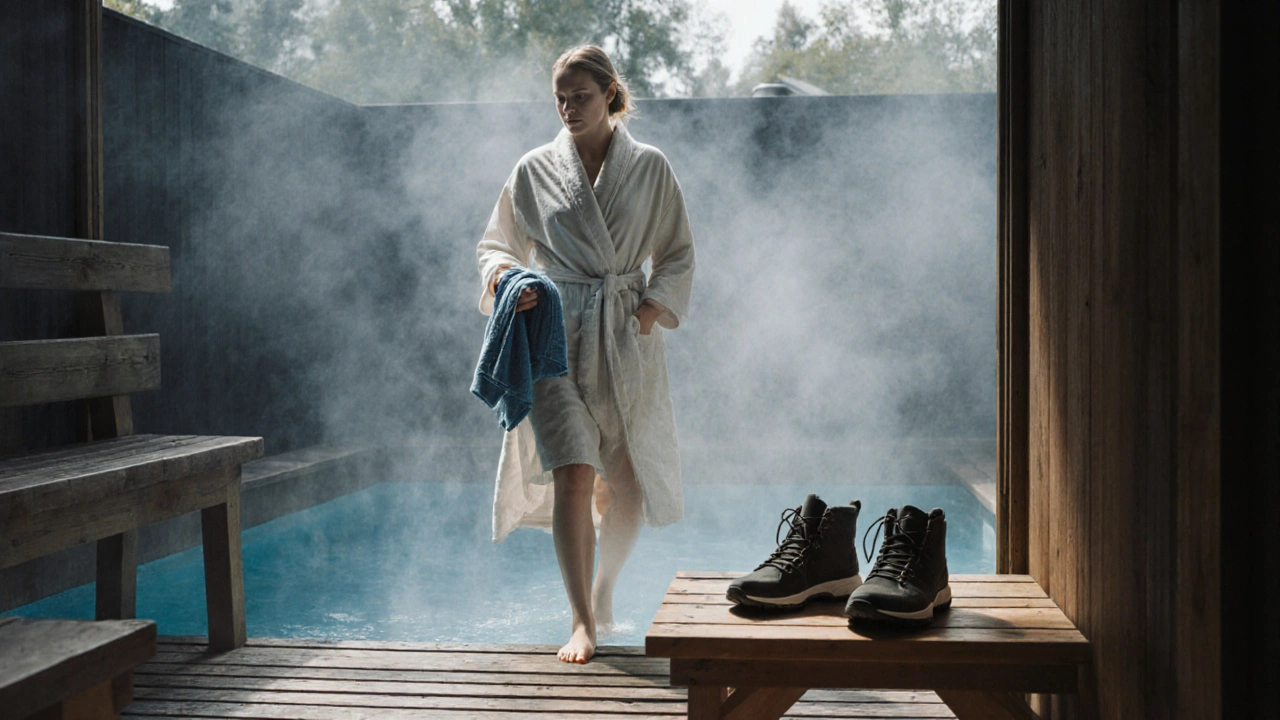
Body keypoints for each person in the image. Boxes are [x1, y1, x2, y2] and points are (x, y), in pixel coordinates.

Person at [476, 45, 696, 664]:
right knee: (574, 474)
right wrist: (508, 283)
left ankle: (603, 589)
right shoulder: (533, 169)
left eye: (581, 96)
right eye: (560, 98)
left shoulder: (650, 167)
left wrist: (649, 310)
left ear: (610, 95)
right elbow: (495, 245)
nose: (569, 108)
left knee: (623, 487)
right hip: (552, 335)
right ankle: (582, 623)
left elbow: (677, 252)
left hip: (625, 338)